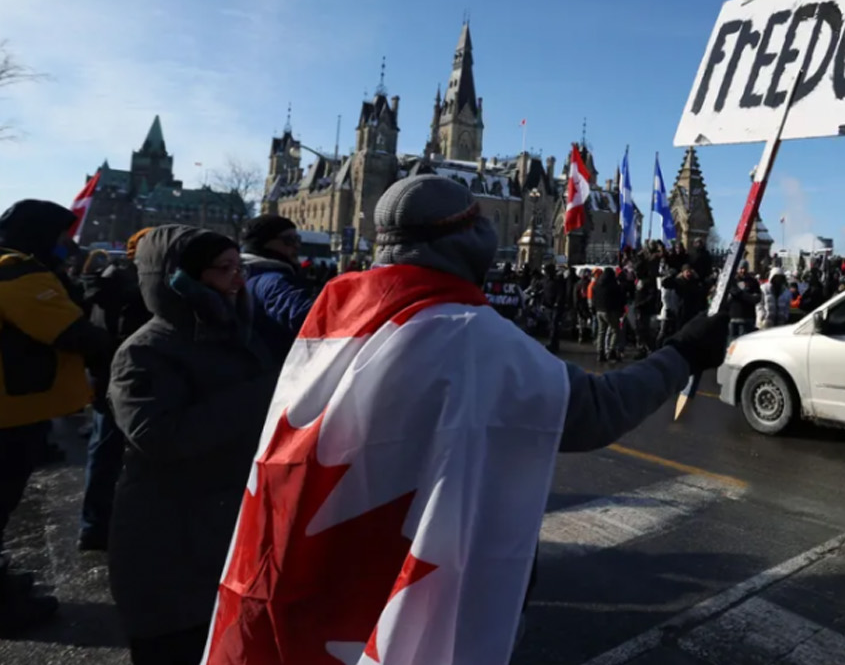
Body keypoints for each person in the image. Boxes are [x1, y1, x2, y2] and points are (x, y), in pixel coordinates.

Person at [202, 174, 729, 664]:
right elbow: (598, 411)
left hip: (310, 566)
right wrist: (681, 353)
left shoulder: (332, 308)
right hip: (414, 570)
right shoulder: (469, 335)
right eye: (478, 221)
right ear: (458, 238)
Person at [107, 226, 279, 664]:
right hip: (170, 542)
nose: (238, 279)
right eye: (224, 269)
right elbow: (159, 437)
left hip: (225, 530)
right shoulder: (144, 351)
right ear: (181, 278)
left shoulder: (239, 334)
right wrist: (264, 394)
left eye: (239, 267)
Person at [0, 201, 111, 634]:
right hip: (11, 410)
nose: (70, 244)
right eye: (64, 236)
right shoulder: (18, 269)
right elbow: (70, 332)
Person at [77, 227, 154, 551]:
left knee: (103, 451)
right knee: (118, 454)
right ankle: (101, 526)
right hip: (125, 381)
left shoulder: (107, 279)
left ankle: (95, 524)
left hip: (103, 377)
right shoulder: (134, 288)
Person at [239, 215, 316, 361]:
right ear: (264, 243)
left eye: (297, 239)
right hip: (275, 369)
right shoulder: (272, 280)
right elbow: (303, 313)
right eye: (289, 240)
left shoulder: (244, 273)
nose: (296, 246)